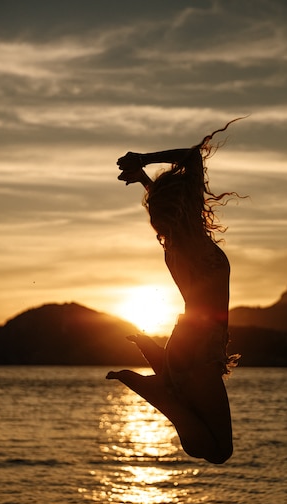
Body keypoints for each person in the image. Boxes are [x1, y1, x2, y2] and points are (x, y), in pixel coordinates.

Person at [106, 121, 241, 464]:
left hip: (189, 346)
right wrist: (144, 158)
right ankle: (161, 393)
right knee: (217, 450)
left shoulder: (176, 245)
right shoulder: (191, 242)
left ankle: (162, 379)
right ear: (184, 206)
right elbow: (193, 158)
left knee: (214, 448)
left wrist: (145, 181)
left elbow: (170, 203)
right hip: (196, 348)